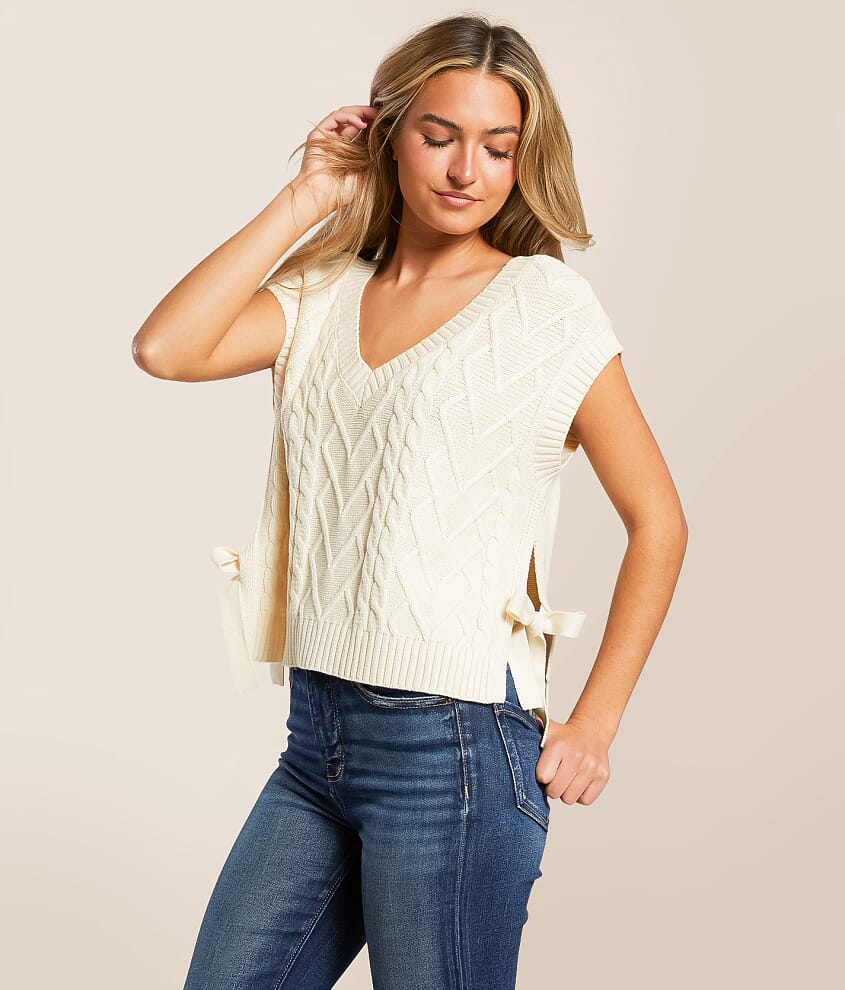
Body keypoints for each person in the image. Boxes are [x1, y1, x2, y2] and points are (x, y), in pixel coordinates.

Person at [133, 13, 687, 990]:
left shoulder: (543, 308)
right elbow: (166, 349)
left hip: (456, 751)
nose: (467, 169)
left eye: (497, 147)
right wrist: (307, 195)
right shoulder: (320, 291)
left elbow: (657, 520)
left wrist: (595, 723)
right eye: (438, 135)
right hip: (317, 742)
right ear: (388, 133)